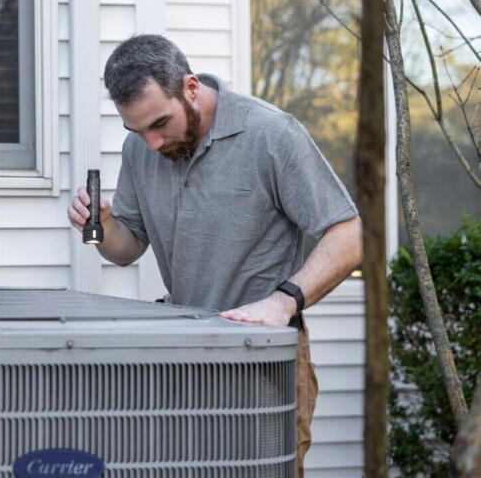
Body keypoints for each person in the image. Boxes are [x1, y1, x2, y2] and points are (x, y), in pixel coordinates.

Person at [66, 34, 362, 476]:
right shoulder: (141, 149)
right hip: (184, 355)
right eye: (137, 130)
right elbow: (129, 246)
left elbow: (349, 234)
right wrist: (104, 226)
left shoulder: (271, 134)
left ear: (190, 88)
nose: (151, 142)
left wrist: (283, 302)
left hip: (263, 359)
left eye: (159, 123)